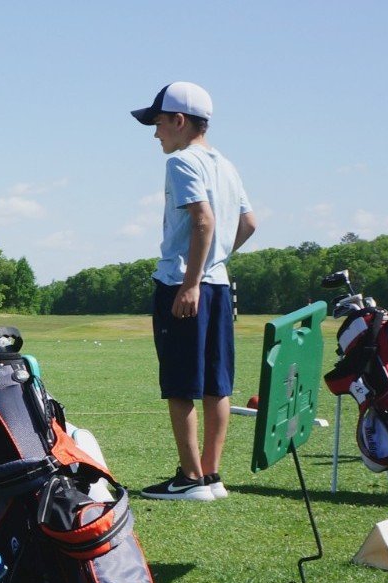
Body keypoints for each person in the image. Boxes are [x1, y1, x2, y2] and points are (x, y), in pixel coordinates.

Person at [128, 82, 255, 502]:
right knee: (217, 383)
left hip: (184, 284)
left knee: (181, 384)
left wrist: (191, 281)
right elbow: (248, 223)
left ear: (179, 121)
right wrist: (214, 263)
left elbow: (202, 222)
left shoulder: (182, 163)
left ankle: (189, 478)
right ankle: (212, 476)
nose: (156, 132)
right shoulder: (227, 164)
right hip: (217, 285)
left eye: (160, 122)